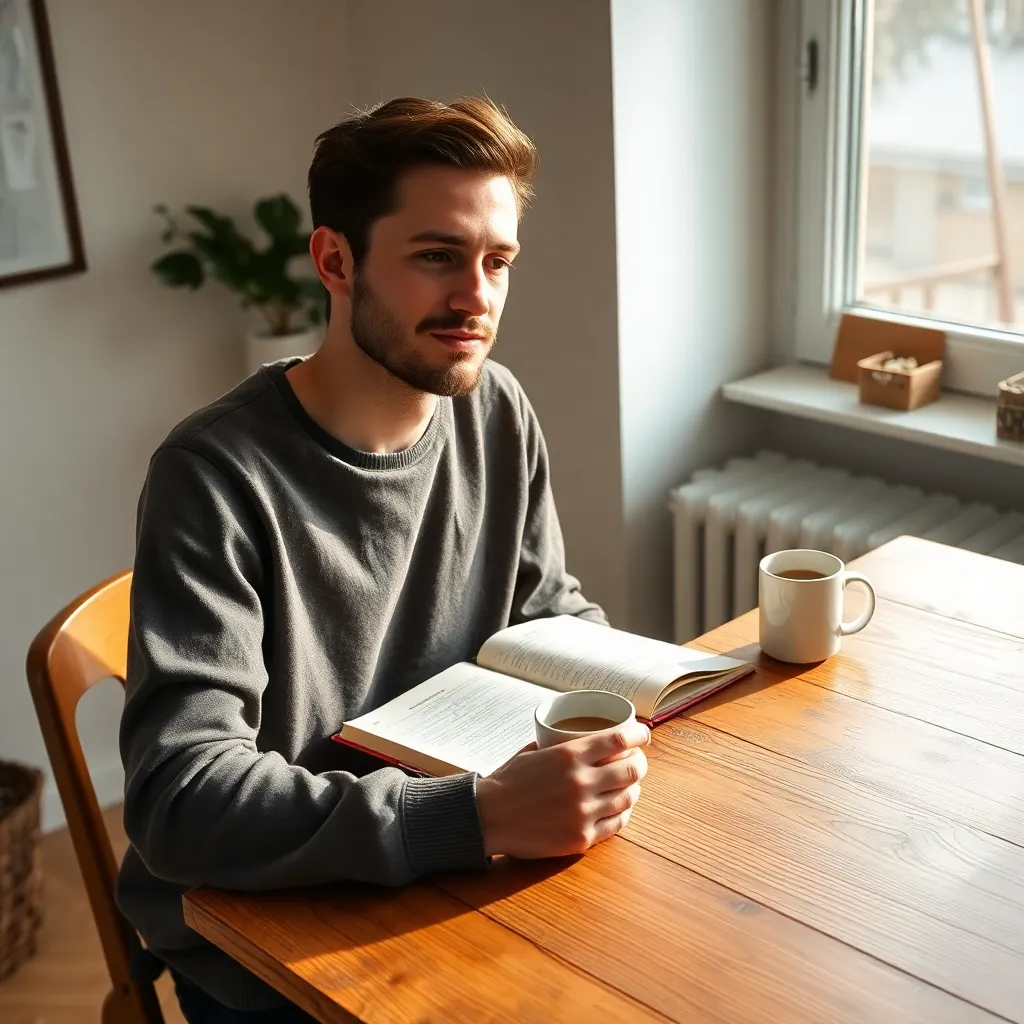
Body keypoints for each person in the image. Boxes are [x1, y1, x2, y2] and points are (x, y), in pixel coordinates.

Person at [118, 96, 650, 1023]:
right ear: (336, 261)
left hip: (450, 865)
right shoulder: (213, 474)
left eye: (497, 261)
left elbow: (546, 615)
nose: (476, 298)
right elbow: (182, 800)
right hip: (268, 938)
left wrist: (632, 707)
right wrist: (477, 816)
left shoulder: (496, 410)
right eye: (437, 256)